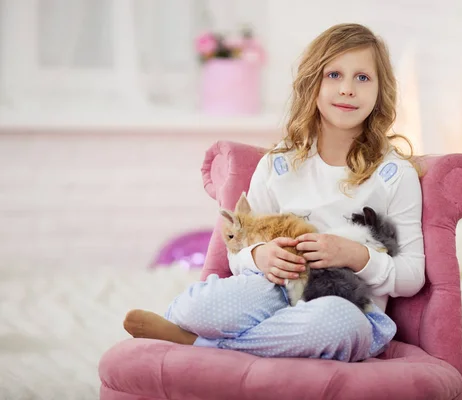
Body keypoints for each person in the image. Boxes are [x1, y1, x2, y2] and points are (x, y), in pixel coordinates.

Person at [124, 22, 425, 362]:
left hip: (346, 304)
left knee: (340, 325)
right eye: (334, 75)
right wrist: (259, 256)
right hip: (275, 289)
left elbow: (412, 276)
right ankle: (276, 336)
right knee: (192, 308)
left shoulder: (395, 175)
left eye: (363, 78)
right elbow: (240, 247)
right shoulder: (279, 164)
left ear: (381, 90)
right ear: (312, 84)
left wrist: (354, 255)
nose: (347, 89)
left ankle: (207, 347)